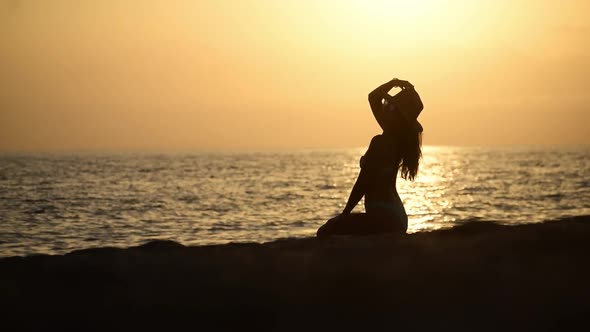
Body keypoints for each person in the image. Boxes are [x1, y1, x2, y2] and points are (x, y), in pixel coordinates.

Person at [316, 78, 424, 238]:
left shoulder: (381, 142)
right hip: (397, 217)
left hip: (384, 217)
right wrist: (394, 82)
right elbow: (373, 97)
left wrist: (345, 212)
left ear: (396, 115)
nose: (387, 107)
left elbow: (364, 180)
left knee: (325, 232)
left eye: (392, 106)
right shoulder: (399, 139)